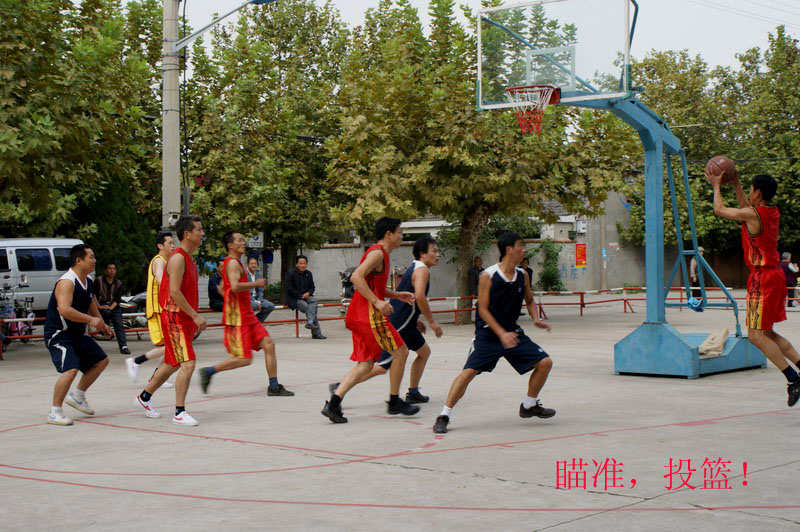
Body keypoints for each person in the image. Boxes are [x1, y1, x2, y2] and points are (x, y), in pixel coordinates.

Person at [433, 233, 554, 434]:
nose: (523, 249)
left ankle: (529, 405)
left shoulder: (522, 275)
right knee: (468, 372)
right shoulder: (488, 275)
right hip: (488, 335)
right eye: (520, 245)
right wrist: (501, 334)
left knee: (545, 363)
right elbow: (482, 309)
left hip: (512, 333)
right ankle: (444, 414)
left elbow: (529, 299)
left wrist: (536, 318)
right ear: (509, 250)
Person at [707, 168, 800, 406]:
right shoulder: (770, 211)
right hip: (774, 276)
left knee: (756, 336)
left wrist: (716, 185)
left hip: (762, 279)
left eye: (750, 190)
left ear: (757, 192)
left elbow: (719, 209)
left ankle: (794, 379)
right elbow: (746, 207)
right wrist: (736, 183)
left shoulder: (754, 214)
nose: (749, 194)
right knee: (767, 333)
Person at [322, 217, 418, 423]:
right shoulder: (378, 253)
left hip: (359, 315)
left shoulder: (380, 254)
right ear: (388, 234)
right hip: (369, 316)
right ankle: (394, 402)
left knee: (366, 364)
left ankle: (334, 404)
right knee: (401, 352)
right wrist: (377, 302)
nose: (401, 236)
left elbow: (372, 286)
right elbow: (356, 277)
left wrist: (396, 295)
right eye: (399, 232)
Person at [327, 236, 444, 404]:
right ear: (422, 253)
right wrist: (432, 322)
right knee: (381, 366)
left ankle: (413, 392)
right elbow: (419, 296)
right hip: (399, 323)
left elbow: (408, 298)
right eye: (434, 250)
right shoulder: (421, 270)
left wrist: (415, 318)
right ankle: (341, 388)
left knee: (424, 352)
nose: (438, 254)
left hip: (406, 322)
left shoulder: (414, 267)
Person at [198, 232, 294, 397]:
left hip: (247, 315)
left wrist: (232, 301)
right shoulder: (232, 263)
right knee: (244, 359)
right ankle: (209, 371)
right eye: (240, 240)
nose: (243, 243)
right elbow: (235, 286)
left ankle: (274, 386)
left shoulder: (233, 263)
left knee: (269, 344)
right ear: (231, 245)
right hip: (238, 319)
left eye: (243, 240)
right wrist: (255, 283)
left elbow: (222, 289)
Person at [134, 215, 207, 426]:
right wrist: (195, 315)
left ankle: (144, 397)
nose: (202, 233)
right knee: (188, 364)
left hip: (184, 319)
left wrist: (193, 318)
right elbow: (174, 292)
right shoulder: (177, 258)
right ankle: (179, 412)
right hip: (175, 317)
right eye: (199, 230)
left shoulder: (189, 259)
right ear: (187, 234)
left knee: (172, 363)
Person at [44, 244, 113, 425]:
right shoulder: (67, 282)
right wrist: (91, 320)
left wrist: (102, 323)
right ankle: (54, 412)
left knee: (101, 361)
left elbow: (90, 303)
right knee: (71, 369)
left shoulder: (87, 280)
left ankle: (77, 396)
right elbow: (64, 309)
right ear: (79, 261)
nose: (94, 260)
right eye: (91, 257)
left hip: (77, 334)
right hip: (59, 335)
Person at [125, 232, 174, 388]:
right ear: (160, 245)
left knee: (167, 347)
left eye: (173, 243)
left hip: (162, 308)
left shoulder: (165, 261)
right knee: (170, 346)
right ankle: (136, 361)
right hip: (158, 309)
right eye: (170, 243)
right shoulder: (159, 260)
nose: (173, 245)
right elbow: (160, 280)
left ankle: (156, 378)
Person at [285, 255, 325, 339]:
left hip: (306, 297)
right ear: (296, 264)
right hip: (294, 298)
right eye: (301, 263)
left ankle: (310, 322)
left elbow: (312, 287)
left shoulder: (308, 273)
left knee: (314, 300)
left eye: (304, 263)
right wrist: (301, 296)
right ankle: (316, 333)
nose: (303, 265)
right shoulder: (290, 273)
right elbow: (289, 288)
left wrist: (308, 293)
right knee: (310, 309)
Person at [94, 261, 130, 354]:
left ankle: (123, 346)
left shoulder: (118, 283)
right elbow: (94, 295)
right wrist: (99, 306)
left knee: (119, 324)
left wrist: (111, 307)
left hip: (114, 305)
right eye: (109, 268)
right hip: (101, 304)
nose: (111, 271)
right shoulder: (98, 280)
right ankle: (104, 330)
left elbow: (117, 299)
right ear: (105, 270)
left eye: (113, 269)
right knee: (106, 313)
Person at [247, 256, 275, 322]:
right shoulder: (244, 274)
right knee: (254, 305)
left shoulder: (259, 275)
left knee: (270, 306)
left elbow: (261, 290)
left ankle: (255, 321)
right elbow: (245, 291)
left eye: (255, 264)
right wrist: (255, 302)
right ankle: (250, 322)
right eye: (251, 264)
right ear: (247, 265)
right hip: (248, 298)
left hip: (257, 298)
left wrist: (259, 301)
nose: (254, 265)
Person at [468, 256, 484, 320]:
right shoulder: (472, 270)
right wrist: (473, 293)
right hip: (477, 291)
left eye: (480, 261)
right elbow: (472, 282)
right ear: (474, 262)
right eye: (477, 261)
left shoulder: (483, 270)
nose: (479, 263)